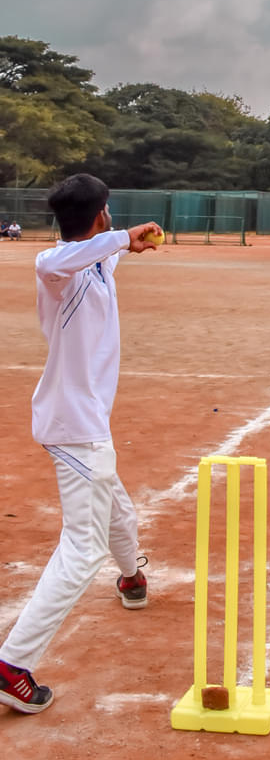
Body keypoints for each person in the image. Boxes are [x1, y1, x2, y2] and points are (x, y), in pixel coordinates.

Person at [0, 174, 163, 715]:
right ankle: (13, 664)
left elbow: (102, 255)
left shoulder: (96, 261)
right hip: (75, 425)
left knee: (115, 505)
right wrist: (121, 238)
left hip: (84, 423)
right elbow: (61, 260)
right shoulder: (57, 268)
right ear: (101, 217)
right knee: (81, 546)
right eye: (110, 215)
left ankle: (132, 578)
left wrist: (127, 245)